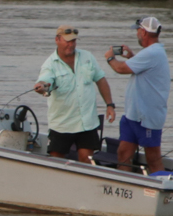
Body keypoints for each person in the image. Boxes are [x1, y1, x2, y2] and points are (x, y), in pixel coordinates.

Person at [33, 24, 115, 162]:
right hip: (62, 124)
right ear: (57, 39)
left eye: (74, 41)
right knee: (56, 163)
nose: (71, 44)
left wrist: (110, 105)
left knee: (86, 160)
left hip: (87, 123)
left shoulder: (87, 56)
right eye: (67, 41)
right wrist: (41, 87)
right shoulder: (49, 64)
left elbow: (100, 80)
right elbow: (45, 82)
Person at [107, 16, 171, 173]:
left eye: (137, 31)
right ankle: (125, 186)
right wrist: (131, 57)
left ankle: (161, 191)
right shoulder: (149, 53)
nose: (136, 34)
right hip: (133, 115)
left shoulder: (153, 52)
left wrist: (110, 57)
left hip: (147, 118)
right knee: (123, 153)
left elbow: (120, 69)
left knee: (153, 158)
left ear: (143, 32)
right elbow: (141, 66)